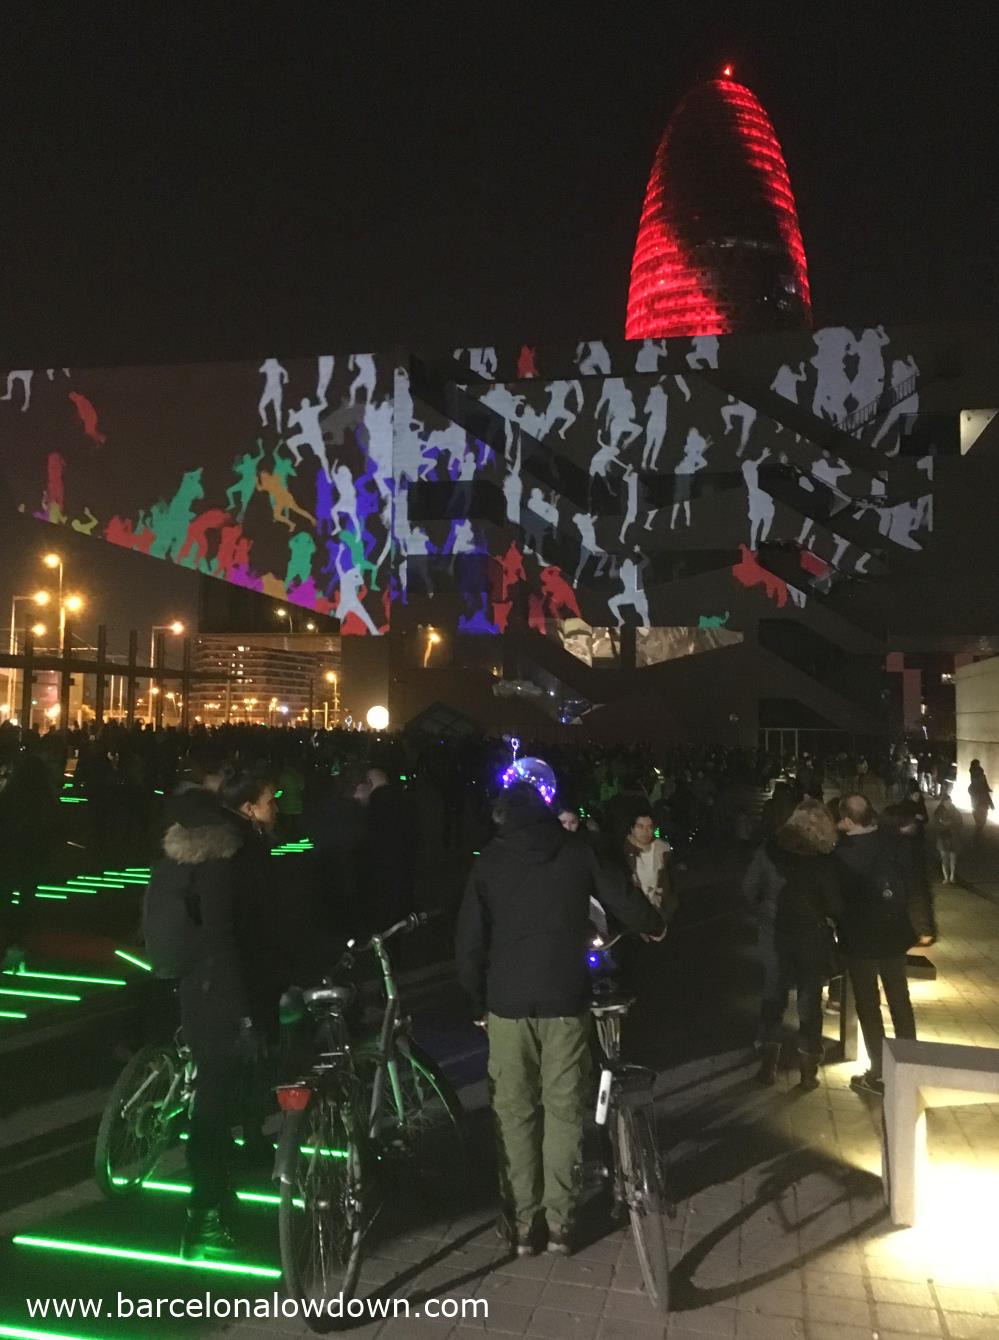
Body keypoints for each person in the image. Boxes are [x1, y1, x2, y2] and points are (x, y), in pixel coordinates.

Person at [455, 782, 666, 1257]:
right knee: (564, 1109)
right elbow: (621, 898)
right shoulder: (576, 852)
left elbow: (468, 941)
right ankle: (561, 1224)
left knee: (514, 1111)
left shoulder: (489, 861)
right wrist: (655, 925)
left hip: (507, 1003)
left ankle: (523, 1223)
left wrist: (475, 1002)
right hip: (565, 996)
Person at [143, 768, 280, 1260]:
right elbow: (225, 935)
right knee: (215, 1105)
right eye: (270, 799)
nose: (276, 808)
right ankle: (202, 1219)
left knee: (218, 1099)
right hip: (219, 993)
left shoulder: (206, 844)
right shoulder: (226, 853)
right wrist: (245, 1014)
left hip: (204, 989)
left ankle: (217, 1196)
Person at [744, 801, 843, 1090]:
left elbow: (748, 890)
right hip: (811, 937)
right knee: (810, 1003)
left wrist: (764, 914)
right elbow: (835, 904)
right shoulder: (824, 860)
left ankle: (767, 1064)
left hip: (774, 934)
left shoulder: (768, 851)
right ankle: (807, 1069)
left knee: (772, 997)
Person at [834, 794, 917, 1097]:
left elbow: (836, 900)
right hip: (893, 934)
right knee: (900, 1000)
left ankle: (880, 1072)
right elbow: (909, 881)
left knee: (869, 1005)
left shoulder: (842, 854)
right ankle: (910, 1064)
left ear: (846, 819)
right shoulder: (890, 842)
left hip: (861, 941)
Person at [623, 809, 674, 917]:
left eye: (649, 827)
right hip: (634, 912)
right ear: (632, 829)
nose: (645, 831)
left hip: (660, 910)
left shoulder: (663, 850)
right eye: (640, 827)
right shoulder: (624, 854)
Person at [931, 785, 964, 884]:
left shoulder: (956, 812)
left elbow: (960, 824)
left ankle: (952, 875)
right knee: (944, 858)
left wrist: (949, 824)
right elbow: (936, 825)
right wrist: (946, 825)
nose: (948, 804)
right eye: (947, 802)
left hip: (954, 837)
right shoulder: (938, 812)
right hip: (943, 837)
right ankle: (946, 877)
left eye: (949, 802)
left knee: (953, 858)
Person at [968, 759, 994, 840]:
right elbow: (984, 787)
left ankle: (978, 831)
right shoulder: (978, 775)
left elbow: (985, 786)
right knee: (981, 815)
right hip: (980, 799)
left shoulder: (978, 776)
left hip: (979, 799)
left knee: (980, 815)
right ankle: (978, 831)